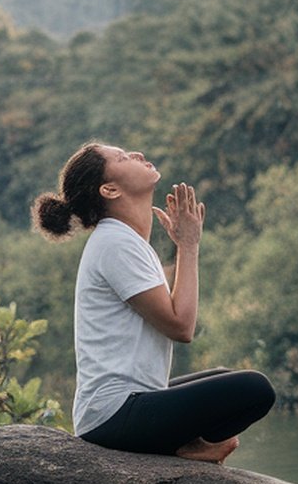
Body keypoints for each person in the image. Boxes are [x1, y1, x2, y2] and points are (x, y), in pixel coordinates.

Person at [32, 142, 275, 462]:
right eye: (122, 157)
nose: (136, 155)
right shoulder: (115, 242)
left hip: (134, 405)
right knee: (255, 390)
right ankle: (180, 445)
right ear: (110, 189)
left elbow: (171, 309)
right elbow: (181, 326)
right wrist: (188, 246)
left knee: (223, 375)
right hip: (114, 416)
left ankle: (183, 442)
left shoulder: (125, 241)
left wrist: (183, 245)